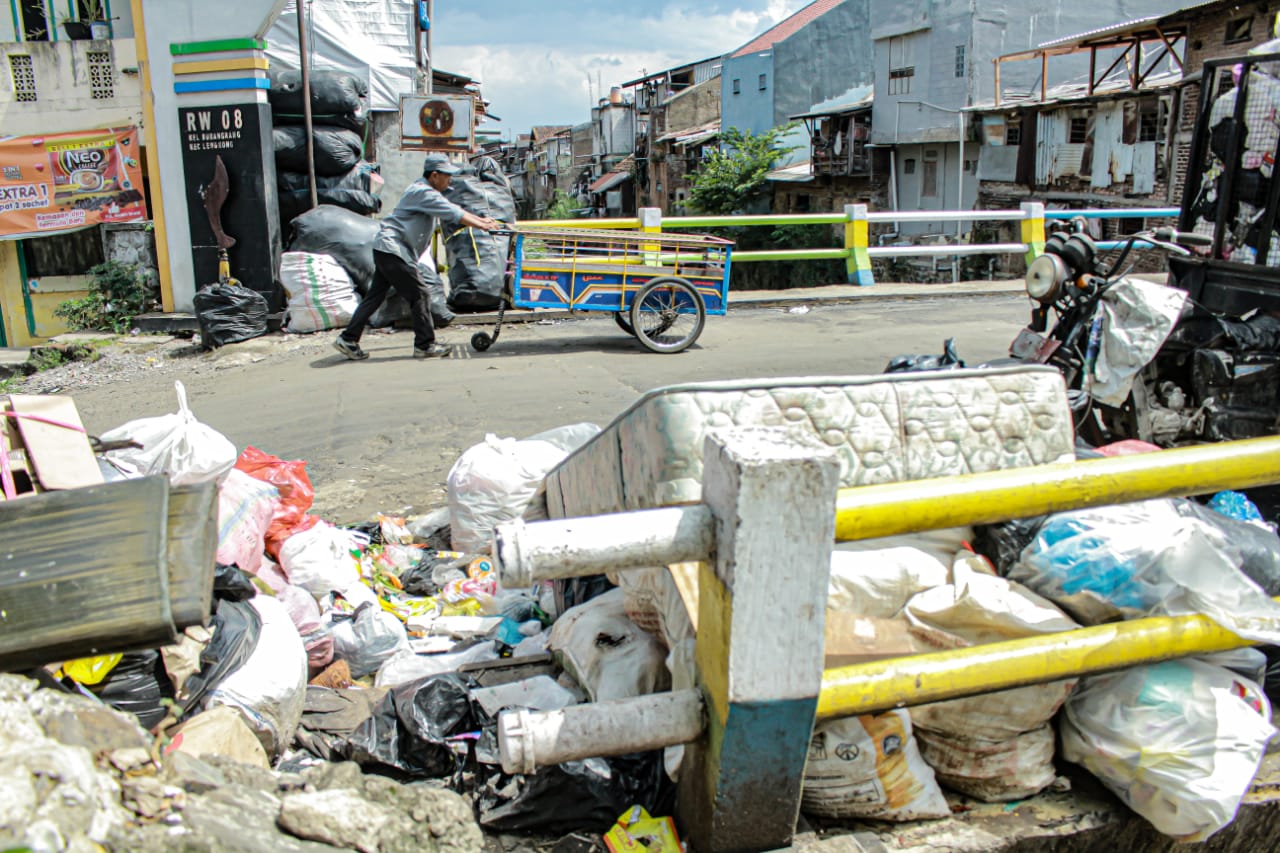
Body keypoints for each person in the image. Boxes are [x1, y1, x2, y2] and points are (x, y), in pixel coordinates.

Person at [334, 153, 502, 360]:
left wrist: (484, 221)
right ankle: (425, 344)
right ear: (434, 176)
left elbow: (456, 208)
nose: (449, 180)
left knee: (374, 297)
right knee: (420, 294)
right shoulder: (423, 193)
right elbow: (454, 213)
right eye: (446, 176)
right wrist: (484, 225)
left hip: (387, 249)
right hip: (394, 250)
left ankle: (348, 338)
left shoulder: (426, 190)